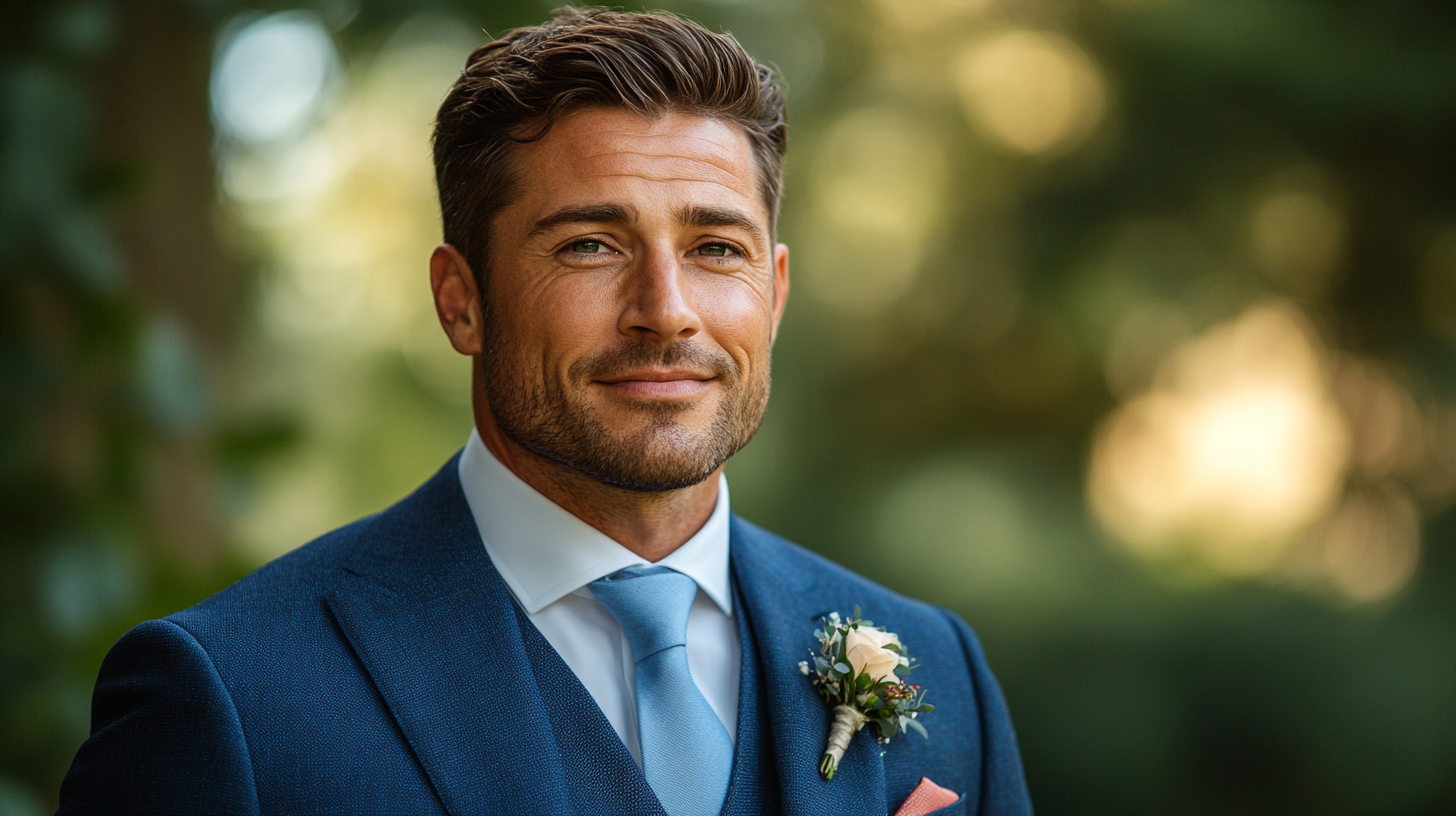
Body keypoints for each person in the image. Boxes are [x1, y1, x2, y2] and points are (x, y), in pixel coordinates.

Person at [57, 7, 1031, 815]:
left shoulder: (942, 673)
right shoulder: (227, 699)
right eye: (589, 247)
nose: (666, 310)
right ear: (461, 301)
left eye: (716, 249)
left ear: (772, 295)